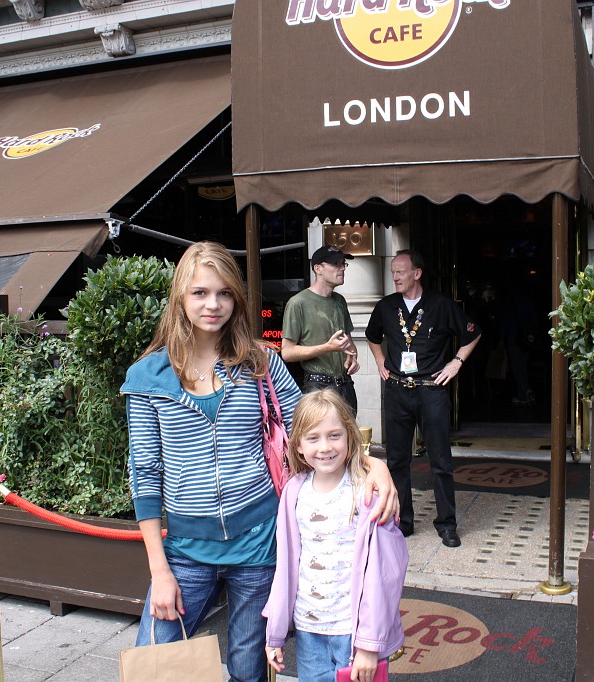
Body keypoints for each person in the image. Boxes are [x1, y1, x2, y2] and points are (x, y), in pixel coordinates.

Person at [121, 241, 399, 682]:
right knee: (155, 663)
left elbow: (315, 424)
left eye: (225, 293)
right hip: (185, 552)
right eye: (200, 292)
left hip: (259, 544)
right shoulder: (147, 376)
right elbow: (145, 476)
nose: (213, 304)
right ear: (180, 297)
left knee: (247, 671)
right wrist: (159, 569)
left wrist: (372, 462)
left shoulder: (261, 363)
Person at [263, 389, 407, 682]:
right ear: (298, 445)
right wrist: (275, 633)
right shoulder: (294, 492)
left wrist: (369, 643)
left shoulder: (368, 492)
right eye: (313, 438)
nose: (325, 446)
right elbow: (287, 565)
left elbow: (384, 574)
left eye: (334, 435)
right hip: (309, 630)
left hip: (353, 633)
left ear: (350, 438)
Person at [365, 250, 481, 548]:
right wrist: (380, 362)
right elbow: (372, 335)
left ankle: (446, 524)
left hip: (431, 390)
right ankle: (403, 521)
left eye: (401, 272)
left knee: (440, 460)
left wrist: (456, 362)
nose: (395, 277)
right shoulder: (387, 306)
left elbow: (473, 333)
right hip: (397, 391)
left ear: (417, 273)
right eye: (393, 272)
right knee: (397, 460)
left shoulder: (441, 305)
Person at [281, 246, 359, 413]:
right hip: (318, 388)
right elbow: (287, 352)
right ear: (318, 268)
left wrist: (351, 357)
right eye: (336, 264)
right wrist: (327, 348)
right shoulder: (297, 303)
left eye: (343, 264)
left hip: (345, 385)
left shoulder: (340, 301)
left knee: (348, 438)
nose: (342, 269)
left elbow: (349, 345)